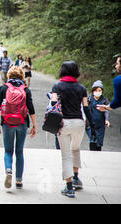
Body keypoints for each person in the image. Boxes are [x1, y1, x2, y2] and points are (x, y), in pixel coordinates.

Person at [50, 61, 95, 198]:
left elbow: (53, 103)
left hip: (64, 123)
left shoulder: (57, 86)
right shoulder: (81, 88)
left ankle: (69, 188)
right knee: (75, 149)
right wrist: (92, 125)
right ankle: (76, 178)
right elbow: (86, 108)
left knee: (66, 155)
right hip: (79, 123)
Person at [0, 66, 37, 189]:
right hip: (22, 123)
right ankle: (19, 180)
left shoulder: (3, 88)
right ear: (22, 76)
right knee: (19, 151)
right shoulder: (26, 90)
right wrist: (34, 125)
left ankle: (8, 170)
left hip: (7, 122)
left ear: (9, 76)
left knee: (8, 151)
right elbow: (31, 109)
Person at [86, 80, 110, 151]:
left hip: (100, 125)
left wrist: (107, 119)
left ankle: (98, 156)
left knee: (99, 142)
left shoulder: (104, 100)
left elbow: (107, 110)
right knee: (92, 140)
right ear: (93, 91)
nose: (98, 92)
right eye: (96, 90)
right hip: (91, 124)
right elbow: (85, 110)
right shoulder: (89, 99)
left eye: (99, 90)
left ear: (102, 91)